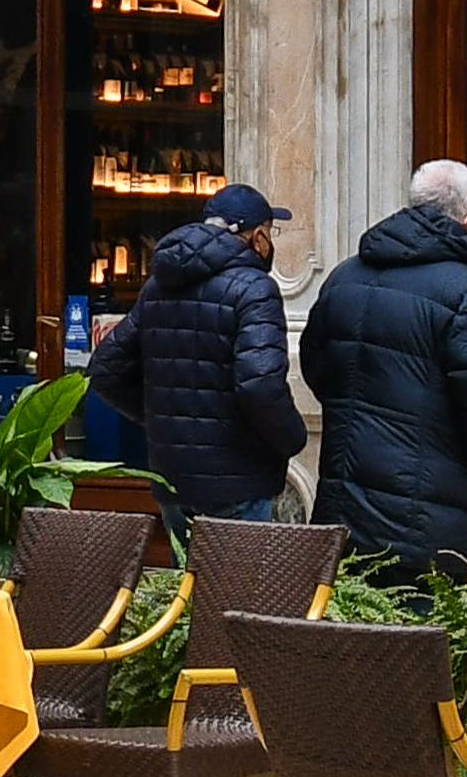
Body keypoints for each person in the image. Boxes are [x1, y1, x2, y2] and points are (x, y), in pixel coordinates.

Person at [300, 158, 467, 584]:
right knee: (425, 623)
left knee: (352, 624)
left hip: (346, 510)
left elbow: (316, 368)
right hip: (434, 523)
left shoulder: (343, 278)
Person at [86, 181, 304, 543]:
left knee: (185, 577)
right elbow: (260, 384)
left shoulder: (158, 286)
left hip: (173, 478)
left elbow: (106, 368)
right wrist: (292, 438)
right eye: (270, 230)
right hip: (237, 479)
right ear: (257, 237)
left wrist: (163, 418)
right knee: (236, 579)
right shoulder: (254, 288)